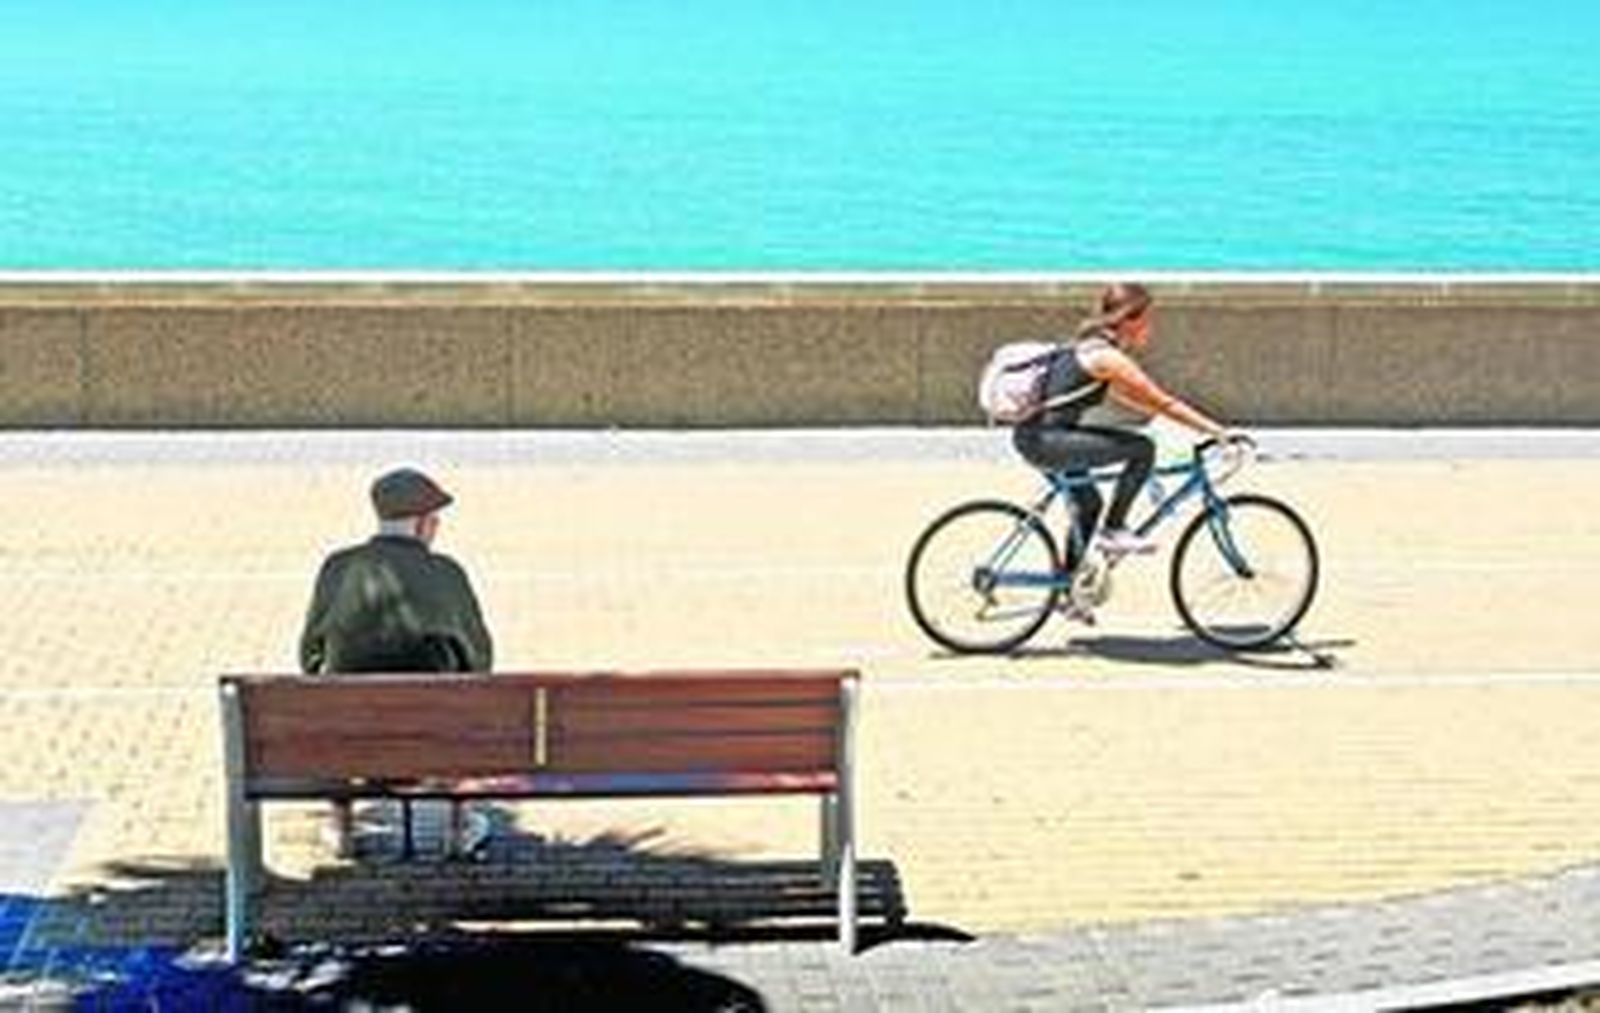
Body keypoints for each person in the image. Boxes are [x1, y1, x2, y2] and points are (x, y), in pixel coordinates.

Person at [299, 467, 495, 857]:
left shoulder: (338, 568)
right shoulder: (446, 573)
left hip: (354, 740)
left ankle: (342, 828)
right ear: (423, 524)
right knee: (469, 704)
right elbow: (479, 661)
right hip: (435, 741)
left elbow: (309, 655)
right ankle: (458, 829)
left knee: (327, 703)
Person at [1012, 282, 1238, 569]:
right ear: (1130, 319)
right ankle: (1115, 529)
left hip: (1037, 438)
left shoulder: (1087, 348)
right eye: (1147, 320)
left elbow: (1133, 399)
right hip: (1049, 443)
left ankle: (1067, 590)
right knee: (1142, 449)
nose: (1151, 328)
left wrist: (1160, 416)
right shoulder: (1108, 358)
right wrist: (1218, 432)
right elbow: (1165, 402)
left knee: (1088, 506)